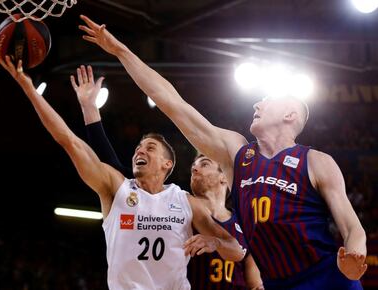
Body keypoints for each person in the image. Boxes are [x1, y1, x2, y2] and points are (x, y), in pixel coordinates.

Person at [78, 14, 368, 289]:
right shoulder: (237, 154)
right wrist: (120, 50)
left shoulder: (315, 161)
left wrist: (355, 259)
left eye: (266, 101)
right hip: (277, 283)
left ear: (290, 114)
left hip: (327, 276)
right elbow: (172, 103)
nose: (256, 105)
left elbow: (352, 227)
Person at [0, 55, 246, 290]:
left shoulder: (186, 202)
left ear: (167, 164)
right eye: (138, 148)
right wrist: (30, 90)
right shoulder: (116, 188)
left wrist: (215, 242)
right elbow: (69, 141)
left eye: (150, 148)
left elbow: (237, 250)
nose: (140, 151)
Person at [70, 64, 264, 290]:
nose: (195, 169)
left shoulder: (241, 219)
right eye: (193, 165)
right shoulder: (180, 203)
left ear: (225, 176)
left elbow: (252, 269)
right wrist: (90, 110)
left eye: (204, 162)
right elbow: (110, 168)